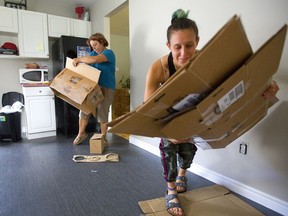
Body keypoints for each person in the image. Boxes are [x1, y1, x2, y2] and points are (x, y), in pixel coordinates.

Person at [143, 9, 279, 216]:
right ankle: (171, 190)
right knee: (168, 149)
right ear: (168, 46)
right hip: (170, 117)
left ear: (197, 41)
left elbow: (243, 80)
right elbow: (147, 109)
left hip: (199, 114)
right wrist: (167, 133)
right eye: (177, 47)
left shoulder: (209, 62)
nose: (183, 53)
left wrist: (266, 86)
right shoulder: (158, 68)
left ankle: (182, 174)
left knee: (189, 150)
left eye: (189, 45)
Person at [72, 33, 116, 146]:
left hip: (107, 87)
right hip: (94, 88)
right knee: (84, 109)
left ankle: (103, 138)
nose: (94, 48)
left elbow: (92, 60)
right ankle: (81, 133)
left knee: (103, 113)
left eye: (95, 44)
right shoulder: (92, 53)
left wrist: (79, 59)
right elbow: (86, 65)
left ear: (102, 42)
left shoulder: (108, 53)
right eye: (92, 46)